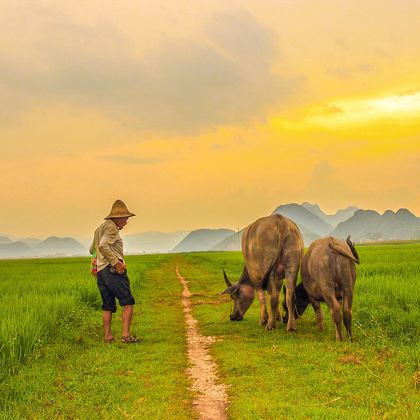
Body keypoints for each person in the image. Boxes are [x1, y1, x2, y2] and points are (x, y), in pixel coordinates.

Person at [89, 200, 138, 343]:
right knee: (128, 301)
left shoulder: (99, 229)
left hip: (101, 272)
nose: (126, 222)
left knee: (107, 305)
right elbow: (104, 246)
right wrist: (116, 263)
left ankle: (108, 337)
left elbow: (92, 249)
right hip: (112, 271)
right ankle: (126, 336)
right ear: (119, 218)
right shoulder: (112, 229)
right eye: (126, 219)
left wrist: (95, 265)